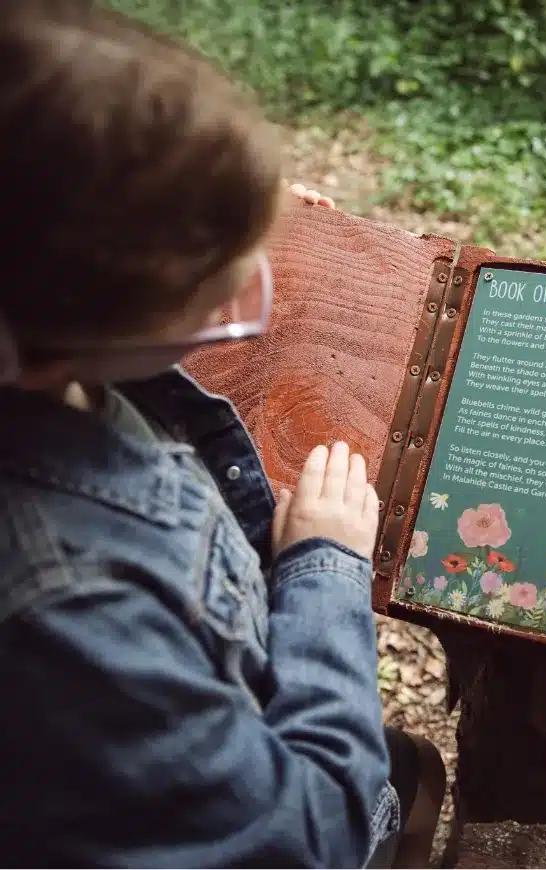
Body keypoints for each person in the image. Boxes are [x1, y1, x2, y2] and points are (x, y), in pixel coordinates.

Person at [0, 3, 444, 867]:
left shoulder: (51, 354)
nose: (258, 267)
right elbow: (306, 836)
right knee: (412, 778)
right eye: (218, 279)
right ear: (88, 318)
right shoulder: (70, 607)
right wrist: (325, 572)